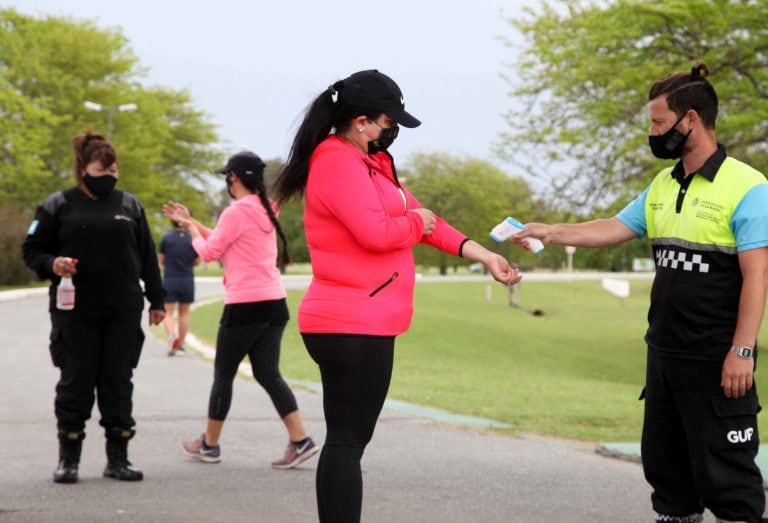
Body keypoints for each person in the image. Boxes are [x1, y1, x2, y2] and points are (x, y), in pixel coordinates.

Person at [515, 63, 768, 523]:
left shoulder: (749, 187)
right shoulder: (662, 184)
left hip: (716, 359)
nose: (652, 133)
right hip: (664, 357)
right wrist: (552, 231)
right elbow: (612, 227)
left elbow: (757, 276)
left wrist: (743, 351)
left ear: (690, 119)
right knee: (668, 479)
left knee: (729, 484)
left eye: (658, 123)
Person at [273, 69, 521, 523]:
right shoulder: (336, 160)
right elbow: (377, 232)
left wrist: (483, 255)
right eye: (390, 123)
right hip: (350, 321)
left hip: (361, 319)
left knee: (347, 442)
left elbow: (427, 220)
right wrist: (416, 224)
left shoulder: (370, 164)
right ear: (363, 121)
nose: (393, 133)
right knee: (347, 443)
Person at [21, 131, 166, 484]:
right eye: (102, 170)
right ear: (83, 169)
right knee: (76, 381)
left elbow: (147, 257)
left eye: (114, 170)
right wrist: (52, 263)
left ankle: (119, 459)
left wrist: (157, 301)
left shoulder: (129, 205)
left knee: (118, 381)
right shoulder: (58, 204)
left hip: (123, 309)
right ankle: (68, 459)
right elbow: (32, 249)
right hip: (75, 311)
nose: (109, 176)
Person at [164, 150, 318, 469]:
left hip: (245, 306)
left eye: (227, 177)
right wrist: (191, 221)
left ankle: (209, 445)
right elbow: (224, 240)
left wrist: (191, 230)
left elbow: (208, 252)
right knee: (267, 373)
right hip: (274, 304)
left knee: (223, 374)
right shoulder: (265, 208)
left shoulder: (235, 212)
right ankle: (300, 440)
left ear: (234, 178)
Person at [158, 220, 200, 356]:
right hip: (187, 279)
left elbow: (161, 260)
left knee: (168, 313)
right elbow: (197, 262)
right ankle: (180, 345)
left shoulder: (166, 239)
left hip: (170, 279)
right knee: (184, 314)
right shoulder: (193, 240)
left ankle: (172, 336)